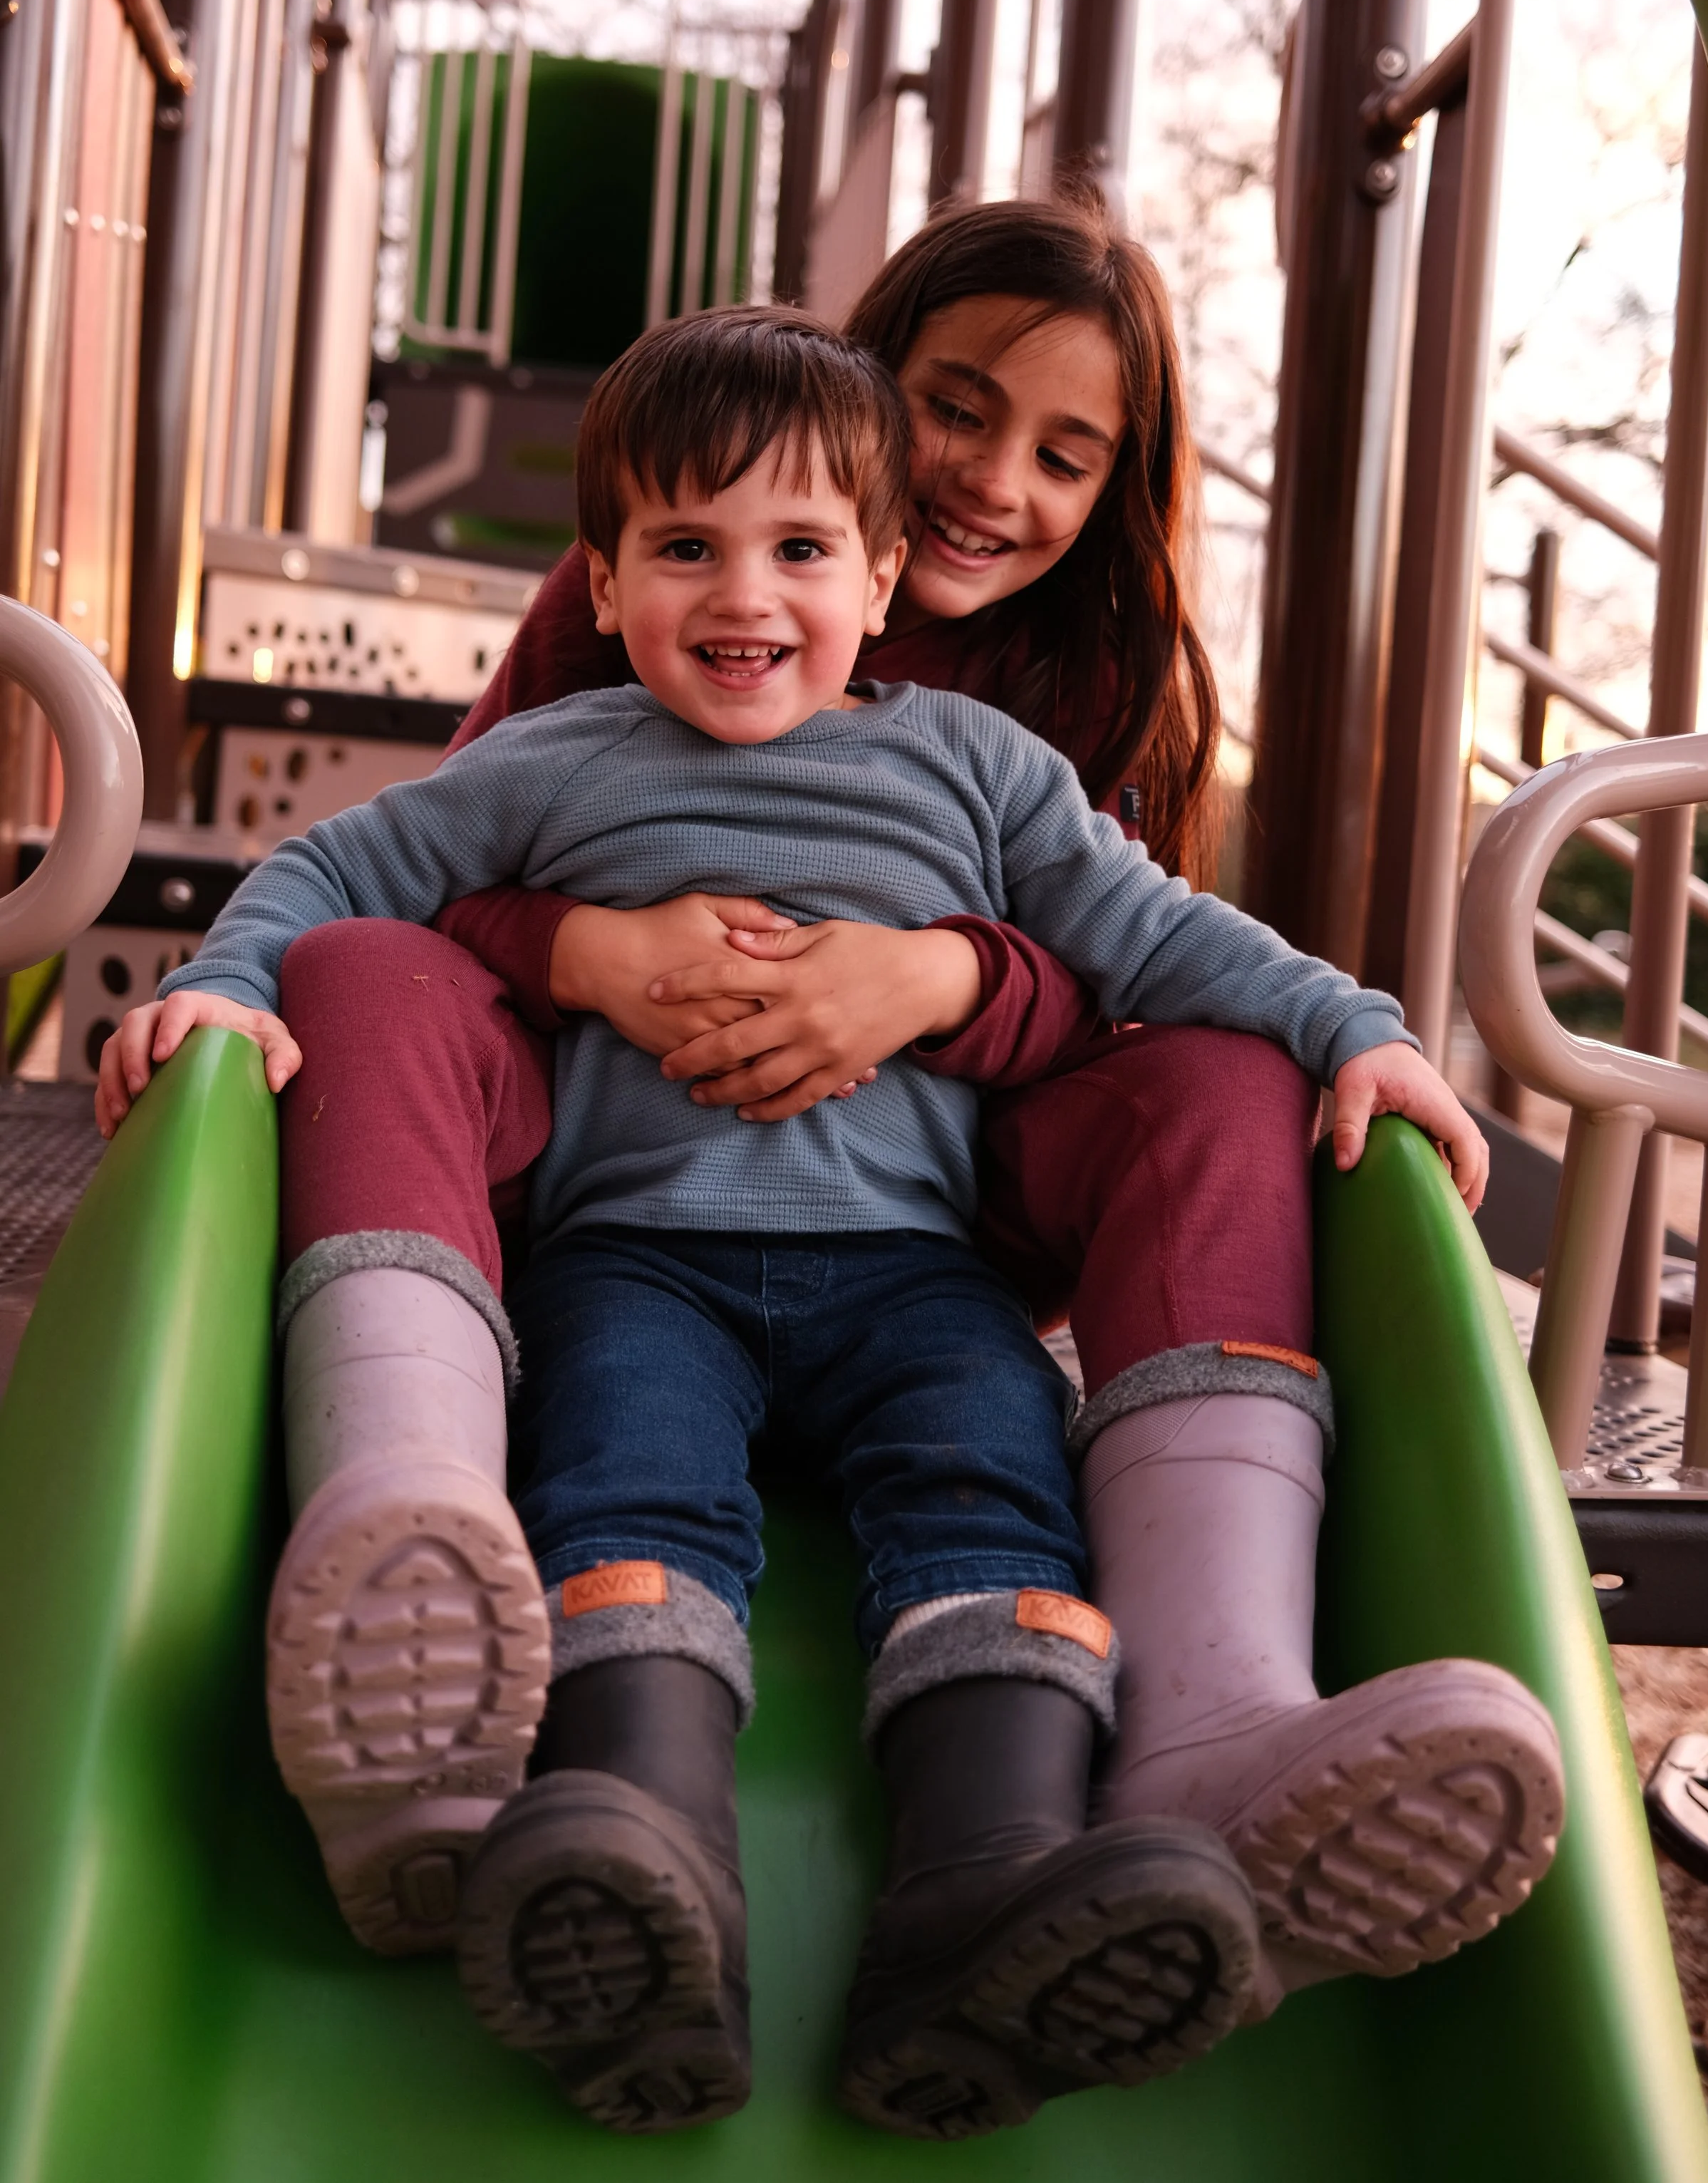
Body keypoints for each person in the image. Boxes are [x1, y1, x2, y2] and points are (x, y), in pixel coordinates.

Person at [96, 205, 1558, 2112]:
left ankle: (1006, 1875)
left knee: (988, 1496)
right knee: (627, 1480)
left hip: (917, 1259)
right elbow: (352, 875)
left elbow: (1156, 941)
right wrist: (267, 978)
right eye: (685, 549)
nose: (744, 592)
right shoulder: (575, 741)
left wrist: (1341, 1021)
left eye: (799, 549)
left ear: (867, 568)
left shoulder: (991, 754)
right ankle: (622, 1829)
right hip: (634, 1243)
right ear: (605, 572)